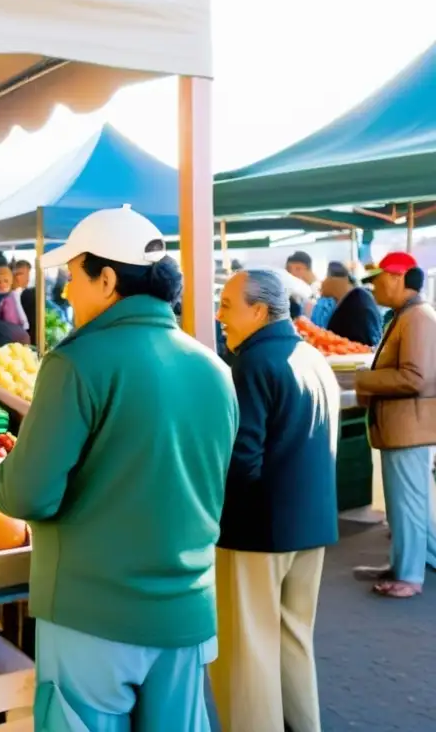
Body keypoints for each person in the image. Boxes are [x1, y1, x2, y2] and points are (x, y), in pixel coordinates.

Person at [0, 206, 238, 731]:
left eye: (72, 277)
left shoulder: (77, 363)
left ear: (106, 279)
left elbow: (28, 495)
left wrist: (1, 475)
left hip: (92, 614)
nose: (64, 293)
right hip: (186, 615)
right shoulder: (214, 369)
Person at [212, 268, 340, 732]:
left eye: (227, 304)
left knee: (247, 655)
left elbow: (241, 461)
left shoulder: (251, 364)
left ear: (259, 310)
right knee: (293, 642)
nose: (219, 315)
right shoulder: (312, 357)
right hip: (312, 525)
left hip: (257, 531)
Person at [354, 253, 436, 598]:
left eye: (378, 279)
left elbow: (415, 378)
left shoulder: (417, 317)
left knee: (408, 506)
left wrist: (364, 379)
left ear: (398, 276)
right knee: (413, 505)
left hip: (408, 428)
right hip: (404, 428)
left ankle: (408, 576)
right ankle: (411, 563)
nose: (373, 286)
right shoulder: (411, 315)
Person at [320, 262, 383, 347]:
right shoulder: (356, 300)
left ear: (336, 280)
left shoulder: (356, 304)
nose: (322, 283)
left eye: (325, 278)